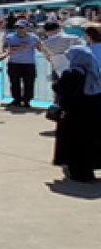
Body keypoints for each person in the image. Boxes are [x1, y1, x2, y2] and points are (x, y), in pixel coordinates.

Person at [51, 45, 101, 182]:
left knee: (75, 144)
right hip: (92, 114)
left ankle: (79, 173)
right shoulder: (94, 72)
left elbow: (60, 88)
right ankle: (88, 171)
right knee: (90, 143)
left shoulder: (73, 73)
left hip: (74, 115)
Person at [3, 19, 39, 107]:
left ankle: (27, 101)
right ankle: (16, 100)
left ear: (26, 28)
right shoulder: (9, 37)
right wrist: (18, 46)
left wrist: (39, 45)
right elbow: (4, 49)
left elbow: (39, 47)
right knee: (14, 82)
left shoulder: (33, 37)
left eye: (21, 27)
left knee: (29, 83)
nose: (19, 29)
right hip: (14, 63)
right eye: (17, 27)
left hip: (29, 64)